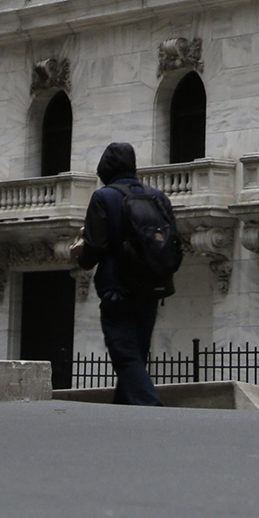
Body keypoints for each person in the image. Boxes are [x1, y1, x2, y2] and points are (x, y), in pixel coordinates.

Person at [72, 141, 176, 407]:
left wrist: (79, 258)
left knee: (124, 352)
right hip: (152, 287)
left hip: (117, 287)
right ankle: (124, 409)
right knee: (137, 353)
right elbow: (174, 242)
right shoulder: (158, 197)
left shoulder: (103, 197)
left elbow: (95, 246)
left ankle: (151, 406)